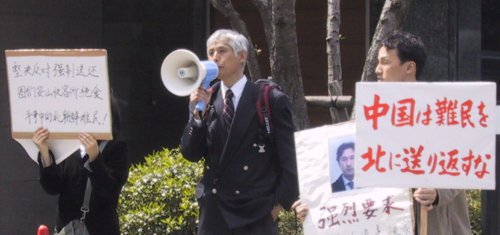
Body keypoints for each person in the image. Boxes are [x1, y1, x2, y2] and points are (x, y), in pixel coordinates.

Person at [180, 29, 300, 235]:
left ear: (241, 56)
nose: (214, 58)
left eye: (222, 51)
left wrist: (279, 204)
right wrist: (196, 116)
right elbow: (190, 153)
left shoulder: (269, 99)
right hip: (214, 211)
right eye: (210, 52)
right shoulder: (208, 97)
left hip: (256, 211)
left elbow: (289, 158)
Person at [375, 31, 472, 235]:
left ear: (409, 67)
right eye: (378, 62)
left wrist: (438, 193)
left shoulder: (442, 111)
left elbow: (464, 161)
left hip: (436, 224)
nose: (377, 70)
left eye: (384, 62)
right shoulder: (373, 117)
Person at [34, 95, 129, 235]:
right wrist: (45, 154)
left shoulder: (116, 146)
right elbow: (53, 187)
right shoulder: (69, 143)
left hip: (100, 228)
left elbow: (108, 191)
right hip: (67, 228)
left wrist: (95, 157)